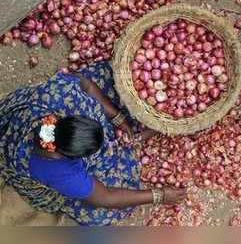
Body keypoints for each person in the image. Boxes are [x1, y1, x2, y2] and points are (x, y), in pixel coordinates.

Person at [0, 61, 187, 226]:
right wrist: (159, 195)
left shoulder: (59, 96)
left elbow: (86, 84)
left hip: (23, 115)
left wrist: (116, 117)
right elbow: (105, 197)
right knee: (101, 213)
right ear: (71, 156)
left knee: (109, 80)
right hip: (24, 155)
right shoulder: (61, 172)